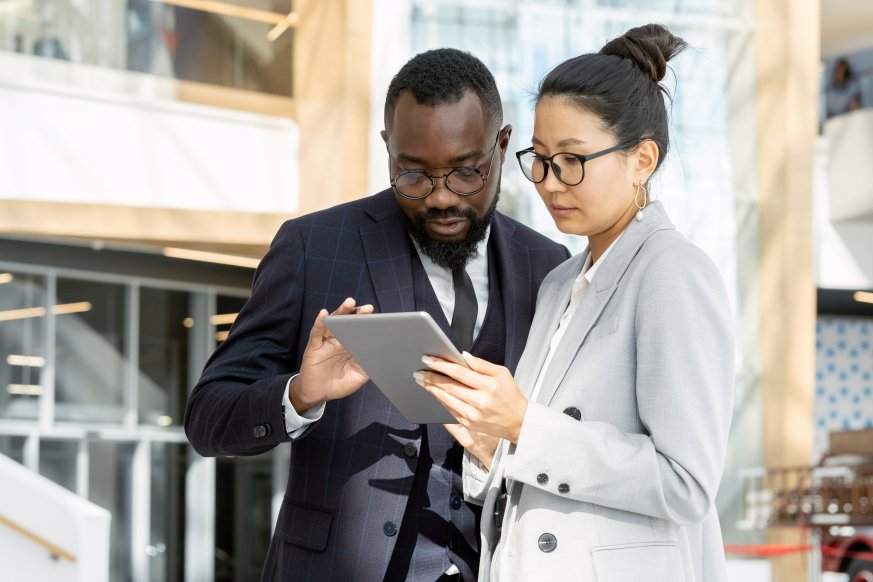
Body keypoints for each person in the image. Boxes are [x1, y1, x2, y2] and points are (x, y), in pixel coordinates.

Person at [184, 48, 569, 581]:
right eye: (412, 175)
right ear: (387, 149)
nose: (439, 198)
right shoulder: (312, 246)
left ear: (502, 147)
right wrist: (300, 393)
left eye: (466, 174)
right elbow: (207, 418)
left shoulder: (550, 267)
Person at [416, 24, 735, 581]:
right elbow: (544, 457)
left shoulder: (672, 272)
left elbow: (685, 483)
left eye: (572, 159)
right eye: (538, 158)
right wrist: (492, 440)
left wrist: (524, 426)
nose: (549, 182)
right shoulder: (560, 281)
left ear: (642, 160)